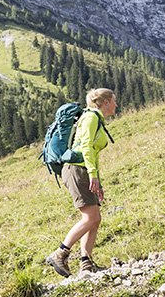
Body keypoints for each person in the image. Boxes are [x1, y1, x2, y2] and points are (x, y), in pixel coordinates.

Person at [45, 88, 116, 277]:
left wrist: (97, 180)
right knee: (90, 218)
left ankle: (86, 263)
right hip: (77, 170)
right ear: (105, 102)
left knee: (95, 218)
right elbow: (85, 146)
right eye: (114, 101)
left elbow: (92, 152)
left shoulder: (95, 118)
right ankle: (60, 253)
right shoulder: (92, 117)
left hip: (84, 170)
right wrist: (92, 174)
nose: (116, 104)